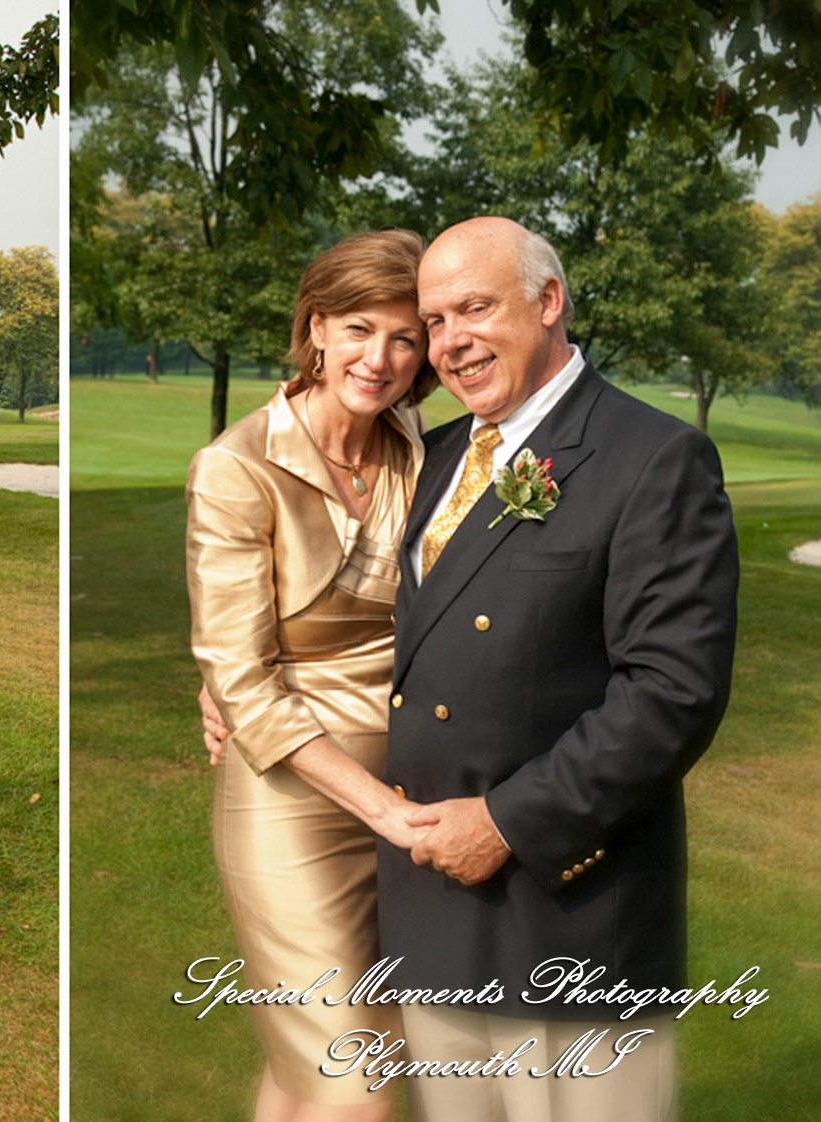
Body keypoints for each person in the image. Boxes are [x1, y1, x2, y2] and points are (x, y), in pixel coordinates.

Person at [205, 218, 739, 1121]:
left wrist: (505, 822)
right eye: (436, 318)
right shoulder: (438, 454)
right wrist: (227, 681)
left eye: (470, 310)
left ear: (549, 300)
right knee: (345, 1084)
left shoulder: (654, 458)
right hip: (428, 895)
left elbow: (671, 692)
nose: (449, 341)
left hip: (568, 898)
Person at [185, 230, 438, 1122]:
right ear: (318, 327)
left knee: (305, 1069)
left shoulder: (421, 448)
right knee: (356, 1076)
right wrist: (382, 810)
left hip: (416, 782)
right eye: (361, 329)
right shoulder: (235, 466)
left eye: (406, 338)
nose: (381, 358)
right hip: (295, 802)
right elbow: (242, 678)